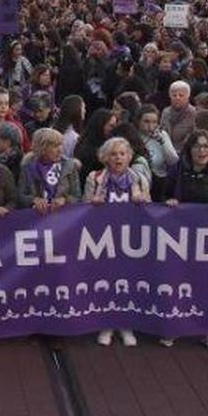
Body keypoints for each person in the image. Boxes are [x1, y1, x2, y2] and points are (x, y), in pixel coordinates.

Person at [162, 129, 208, 352]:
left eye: (206, 146)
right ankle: (175, 325)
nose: (201, 150)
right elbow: (163, 196)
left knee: (206, 284)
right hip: (180, 239)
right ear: (189, 149)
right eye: (197, 146)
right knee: (178, 282)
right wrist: (170, 201)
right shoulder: (177, 171)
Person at [84, 136, 150, 347]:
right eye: (113, 154)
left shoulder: (139, 179)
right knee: (106, 282)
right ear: (106, 158)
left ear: (129, 156)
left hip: (131, 242)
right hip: (102, 241)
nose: (118, 158)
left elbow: (151, 210)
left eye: (122, 153)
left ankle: (126, 325)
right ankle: (107, 324)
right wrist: (91, 203)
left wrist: (143, 201)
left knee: (127, 283)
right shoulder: (94, 178)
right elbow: (80, 210)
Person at [18, 128, 83, 214]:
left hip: (64, 218)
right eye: (55, 146)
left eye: (60, 145)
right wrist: (33, 200)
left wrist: (64, 200)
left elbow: (77, 196)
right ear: (42, 148)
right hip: (37, 220)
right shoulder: (28, 168)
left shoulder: (70, 166)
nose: (60, 150)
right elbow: (20, 196)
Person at [136, 104, 178, 201]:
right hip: (140, 181)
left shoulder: (162, 135)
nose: (150, 126)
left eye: (154, 122)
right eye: (146, 122)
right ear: (138, 121)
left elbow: (174, 161)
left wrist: (163, 143)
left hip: (160, 181)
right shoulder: (135, 136)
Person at [160, 80, 197, 149]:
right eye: (174, 95)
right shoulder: (165, 112)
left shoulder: (194, 113)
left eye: (181, 95)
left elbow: (192, 137)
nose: (177, 98)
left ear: (187, 96)